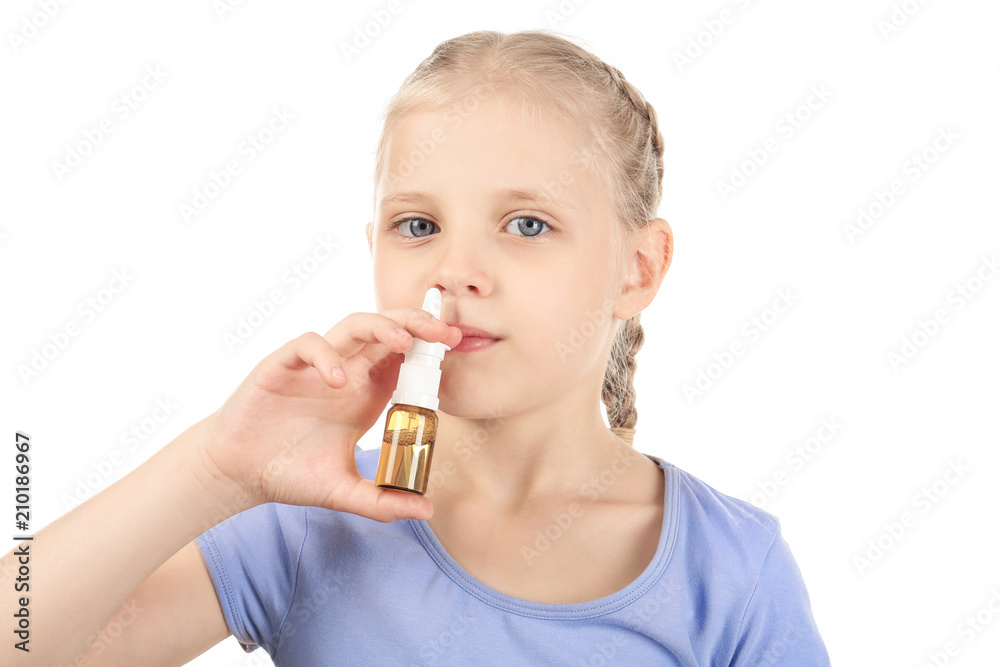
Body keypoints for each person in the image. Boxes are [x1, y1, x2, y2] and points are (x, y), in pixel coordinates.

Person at [1, 29, 830, 665]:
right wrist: (213, 471)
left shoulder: (733, 570)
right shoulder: (305, 520)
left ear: (638, 268)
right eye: (418, 225)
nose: (453, 270)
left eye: (528, 224)